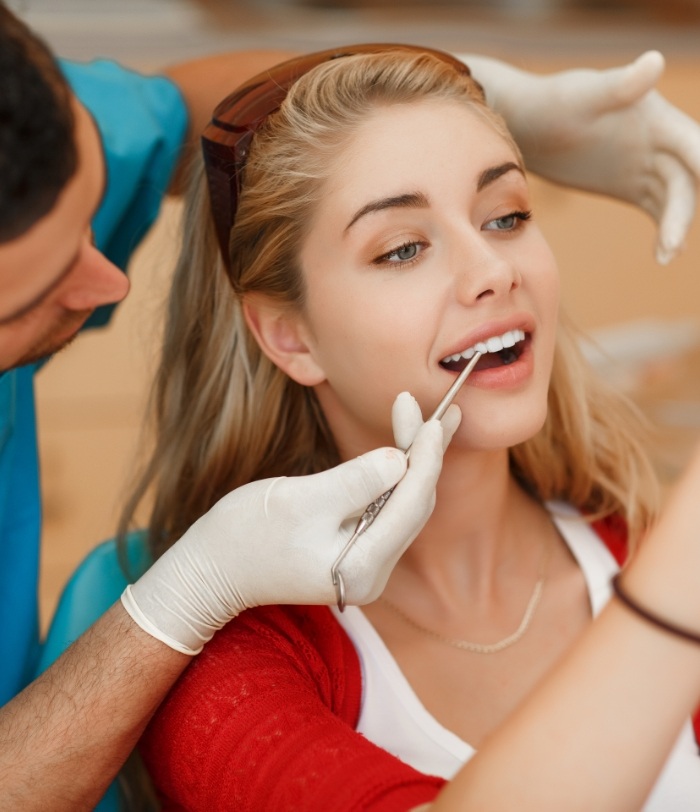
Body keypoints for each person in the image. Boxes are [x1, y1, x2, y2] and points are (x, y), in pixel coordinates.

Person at [2, 2, 700, 806]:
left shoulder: (626, 541)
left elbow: (187, 113)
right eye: (402, 247)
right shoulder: (238, 669)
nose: (493, 270)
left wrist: (467, 90)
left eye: (506, 215)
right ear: (289, 336)